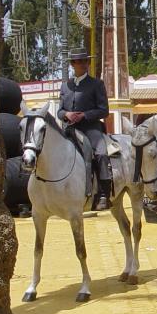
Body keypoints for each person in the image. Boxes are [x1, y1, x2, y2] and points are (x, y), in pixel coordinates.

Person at [57, 48, 112, 210]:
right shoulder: (65, 87)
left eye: (84, 61)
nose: (82, 64)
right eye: (78, 61)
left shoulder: (97, 84)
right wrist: (67, 113)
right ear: (72, 64)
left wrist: (84, 115)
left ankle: (103, 194)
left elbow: (104, 110)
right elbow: (59, 111)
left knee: (101, 153)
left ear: (88, 63)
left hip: (91, 128)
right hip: (69, 129)